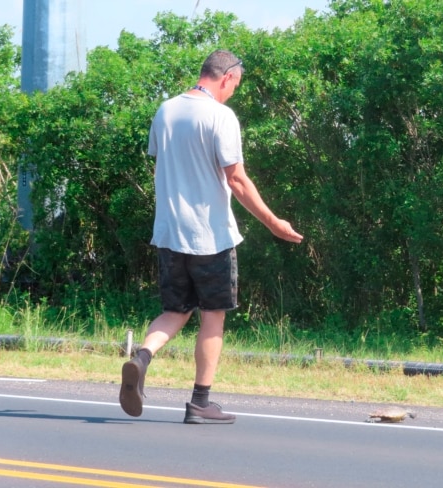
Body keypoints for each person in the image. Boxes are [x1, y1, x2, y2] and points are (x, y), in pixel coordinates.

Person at [119, 50, 304, 424]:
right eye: (236, 85)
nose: (234, 92)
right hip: (210, 236)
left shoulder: (166, 110)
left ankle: (142, 357)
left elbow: (161, 167)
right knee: (212, 316)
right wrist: (272, 222)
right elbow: (236, 179)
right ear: (227, 78)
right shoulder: (221, 116)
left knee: (175, 310)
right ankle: (200, 403)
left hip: (170, 233)